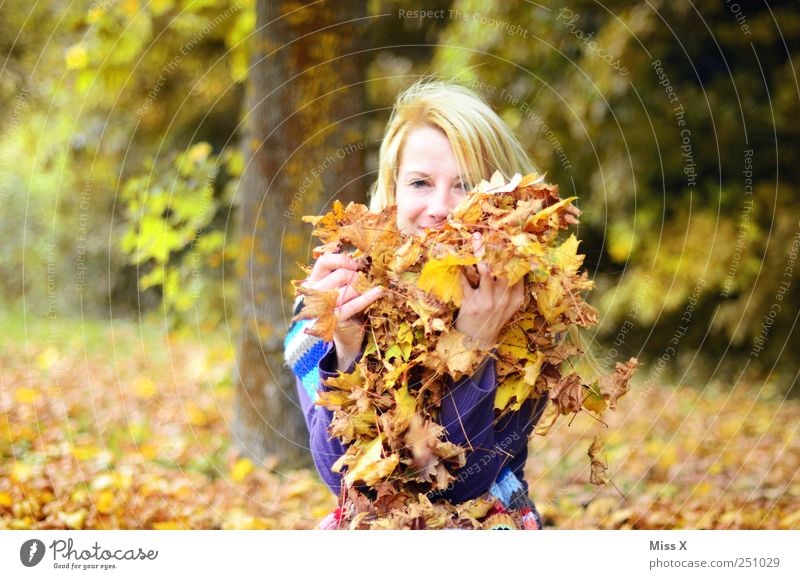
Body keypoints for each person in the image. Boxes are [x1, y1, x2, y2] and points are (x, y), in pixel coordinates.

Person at [284, 79, 558, 530]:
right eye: (420, 182)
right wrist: (347, 352)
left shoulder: (527, 309)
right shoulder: (340, 293)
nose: (439, 207)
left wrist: (476, 338)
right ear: (392, 193)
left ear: (504, 202)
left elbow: (461, 487)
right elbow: (348, 481)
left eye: (466, 185)